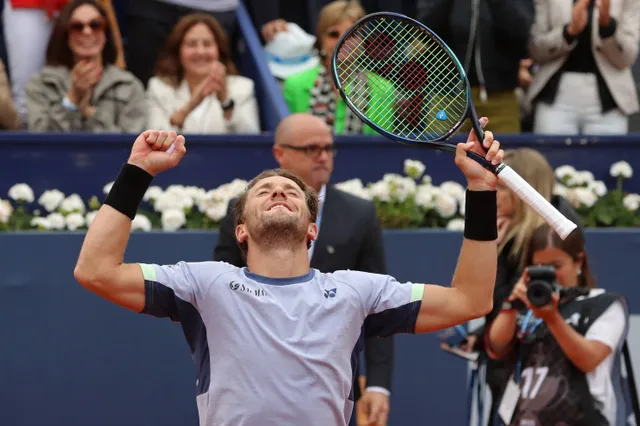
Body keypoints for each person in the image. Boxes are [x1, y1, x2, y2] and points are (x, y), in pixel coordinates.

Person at [74, 119, 504, 425]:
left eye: (292, 192)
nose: (279, 189)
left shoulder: (356, 291)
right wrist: (138, 171)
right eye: (264, 191)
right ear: (240, 230)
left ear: (312, 228)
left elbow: (471, 299)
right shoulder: (204, 285)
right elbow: (96, 270)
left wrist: (481, 191)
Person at [214, 113, 391, 425]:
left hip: (336, 384)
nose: (323, 156)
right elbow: (219, 295)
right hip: (254, 383)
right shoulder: (244, 210)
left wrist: (377, 384)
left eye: (328, 147)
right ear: (280, 154)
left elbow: (378, 307)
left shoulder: (359, 213)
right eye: (311, 149)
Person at [486, 223, 630, 426]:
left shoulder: (603, 303)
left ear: (578, 261)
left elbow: (589, 359)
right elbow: (496, 348)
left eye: (555, 267)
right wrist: (511, 304)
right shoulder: (527, 306)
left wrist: (552, 318)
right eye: (540, 268)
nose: (550, 275)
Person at [24, 0, 146, 132]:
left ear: (106, 33)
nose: (87, 32)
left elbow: (131, 146)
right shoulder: (40, 84)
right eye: (77, 26)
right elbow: (39, 144)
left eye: (95, 25)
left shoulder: (130, 86)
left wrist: (90, 113)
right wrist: (71, 100)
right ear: (65, 35)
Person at [146, 13, 260, 134]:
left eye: (207, 44)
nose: (200, 52)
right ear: (178, 51)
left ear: (219, 50)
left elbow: (251, 142)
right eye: (191, 44)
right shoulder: (159, 88)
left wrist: (226, 102)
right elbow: (155, 143)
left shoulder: (242, 87)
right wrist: (191, 104)